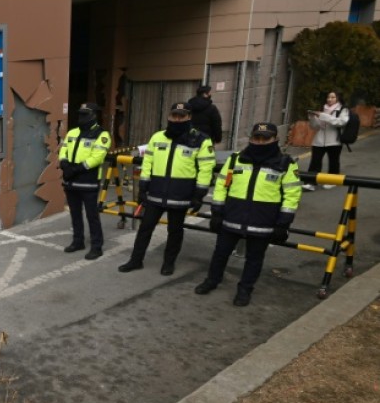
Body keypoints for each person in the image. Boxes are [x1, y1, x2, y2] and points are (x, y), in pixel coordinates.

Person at [194, 122, 302, 306]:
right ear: (251, 138)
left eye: (265, 138)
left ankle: (245, 290)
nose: (260, 142)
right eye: (256, 138)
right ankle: (212, 281)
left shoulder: (285, 164)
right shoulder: (236, 159)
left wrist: (283, 224)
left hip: (263, 222)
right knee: (220, 253)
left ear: (275, 139)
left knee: (254, 259)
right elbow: (221, 185)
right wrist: (217, 213)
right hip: (232, 219)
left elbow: (292, 195)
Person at [118, 102, 215, 275]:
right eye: (174, 115)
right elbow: (148, 163)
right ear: (169, 116)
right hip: (155, 193)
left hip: (181, 195)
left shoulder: (201, 140)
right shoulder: (157, 137)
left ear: (189, 117)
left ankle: (168, 263)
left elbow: (206, 169)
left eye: (181, 116)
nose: (177, 119)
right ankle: (135, 260)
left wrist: (199, 194)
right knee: (145, 228)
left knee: (175, 231)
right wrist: (143, 187)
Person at [59, 102, 112, 260]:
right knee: (75, 214)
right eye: (80, 114)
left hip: (88, 182)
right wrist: (63, 163)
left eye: (85, 114)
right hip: (70, 181)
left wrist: (74, 169)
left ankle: (97, 246)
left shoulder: (102, 135)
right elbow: (63, 149)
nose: (81, 117)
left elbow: (96, 158)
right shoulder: (72, 132)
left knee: (92, 216)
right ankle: (78, 241)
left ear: (94, 115)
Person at [303, 90, 349, 191]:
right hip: (319, 140)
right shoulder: (322, 109)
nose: (329, 99)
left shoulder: (343, 110)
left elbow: (341, 122)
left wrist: (323, 116)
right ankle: (310, 182)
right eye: (328, 97)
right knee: (315, 162)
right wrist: (312, 118)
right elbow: (315, 127)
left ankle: (333, 181)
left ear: (338, 98)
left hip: (334, 140)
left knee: (333, 162)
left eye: (333, 97)